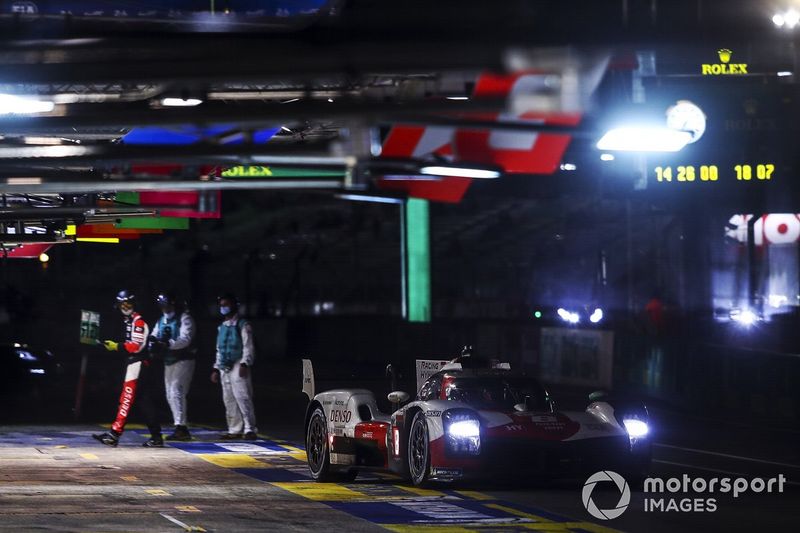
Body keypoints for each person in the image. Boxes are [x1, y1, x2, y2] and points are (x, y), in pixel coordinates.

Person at [93, 290, 163, 447]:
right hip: (135, 364)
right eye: (122, 304)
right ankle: (156, 437)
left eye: (128, 303)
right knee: (144, 401)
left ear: (134, 304)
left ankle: (114, 434)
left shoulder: (137, 322)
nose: (125, 307)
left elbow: (136, 347)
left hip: (137, 364)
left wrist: (116, 346)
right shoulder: (129, 321)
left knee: (126, 398)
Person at [210, 294, 258, 440]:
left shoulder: (243, 325)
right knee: (229, 398)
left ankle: (250, 428)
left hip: (238, 363)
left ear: (234, 306)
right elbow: (219, 349)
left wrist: (245, 363)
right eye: (221, 305)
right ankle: (234, 428)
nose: (223, 308)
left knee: (243, 396)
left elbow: (248, 346)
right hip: (225, 366)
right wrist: (216, 368)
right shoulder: (221, 327)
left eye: (226, 305)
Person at [150, 292, 196, 441]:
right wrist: (153, 344)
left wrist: (168, 343)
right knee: (169, 393)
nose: (165, 308)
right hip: (168, 360)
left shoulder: (184, 318)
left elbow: (185, 339)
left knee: (177, 390)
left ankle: (181, 427)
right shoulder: (161, 320)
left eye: (167, 304)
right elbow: (154, 335)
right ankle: (179, 425)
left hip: (183, 359)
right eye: (162, 305)